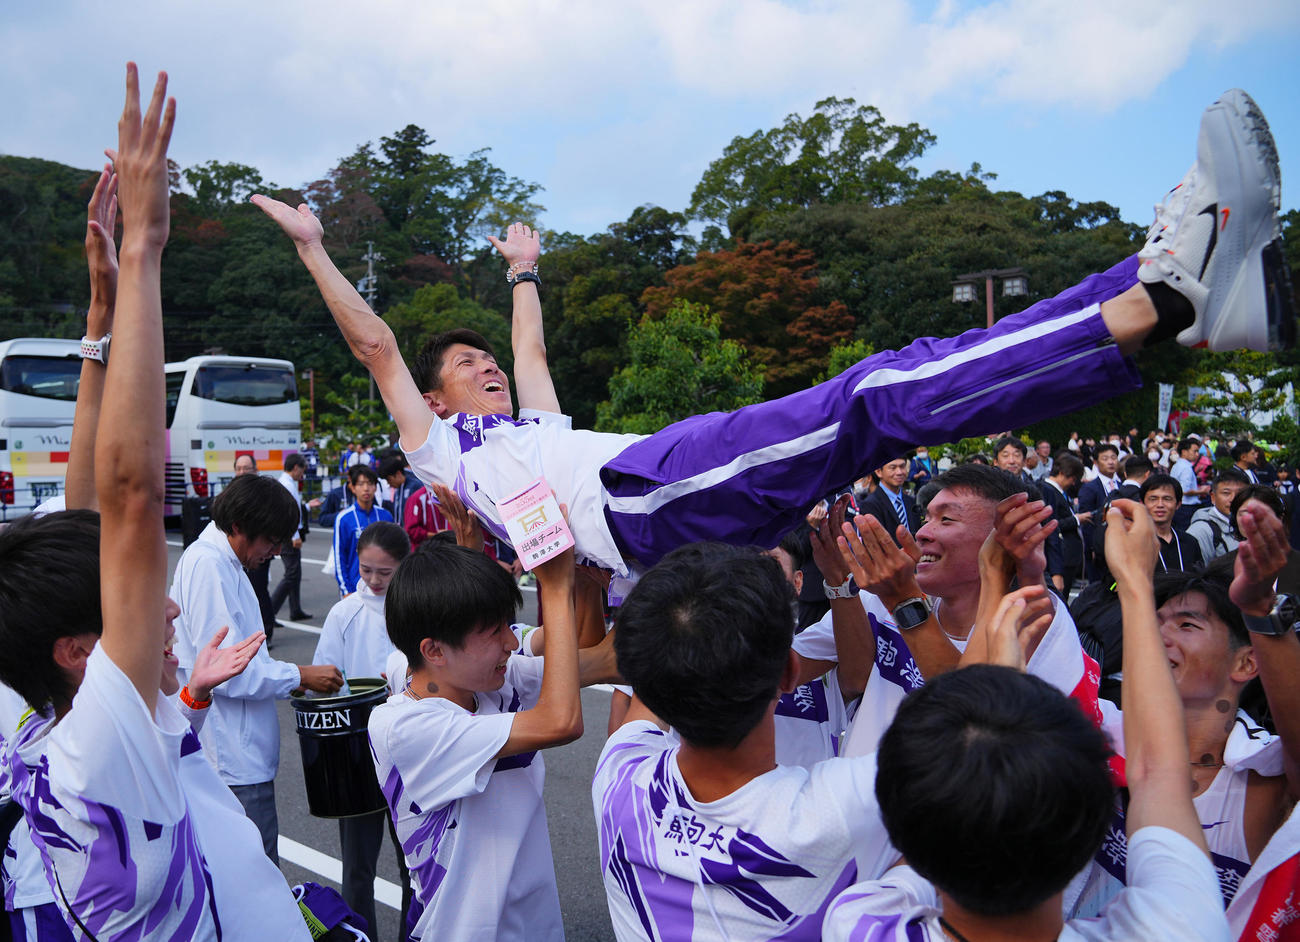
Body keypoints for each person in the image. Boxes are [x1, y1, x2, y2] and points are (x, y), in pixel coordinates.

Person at [252, 87, 1294, 589]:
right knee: (875, 398)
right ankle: (1170, 298)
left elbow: (527, 354)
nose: (481, 364)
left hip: (655, 479)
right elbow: (379, 351)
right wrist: (312, 249)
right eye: (460, 366)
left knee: (903, 379)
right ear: (434, 402)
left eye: (480, 357)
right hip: (645, 502)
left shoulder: (528, 427)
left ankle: (1174, 290)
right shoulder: (445, 454)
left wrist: (524, 271)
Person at [0, 65, 317, 940]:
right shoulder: (101, 752)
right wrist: (143, 249)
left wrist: (99, 312)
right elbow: (134, 499)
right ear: (77, 652)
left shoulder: (48, 722)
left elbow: (90, 508)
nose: (163, 603)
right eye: (132, 610)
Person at [823, 500, 1232, 942]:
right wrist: (1135, 583)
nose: (926, 532)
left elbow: (949, 803)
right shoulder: (1180, 930)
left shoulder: (862, 919)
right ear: (1090, 833)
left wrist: (992, 584)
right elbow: (1158, 774)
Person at [594, 543, 901, 940]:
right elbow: (986, 728)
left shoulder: (620, 773)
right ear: (791, 673)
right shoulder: (847, 806)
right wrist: (911, 601)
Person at [368, 537, 618, 942]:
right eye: (494, 631)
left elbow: (595, 658)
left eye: (508, 624)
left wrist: (582, 573)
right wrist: (552, 586)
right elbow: (562, 721)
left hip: (533, 925)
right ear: (433, 650)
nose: (511, 643)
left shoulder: (487, 680)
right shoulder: (404, 726)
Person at [171, 470, 344, 862]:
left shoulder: (225, 563)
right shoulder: (209, 566)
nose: (277, 551)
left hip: (240, 754)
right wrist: (300, 675)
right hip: (232, 758)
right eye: (272, 540)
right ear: (238, 527)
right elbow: (226, 671)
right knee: (256, 876)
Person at [313, 521, 411, 936]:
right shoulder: (344, 612)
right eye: (366, 569)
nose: (372, 580)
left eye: (384, 573)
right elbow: (323, 678)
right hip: (356, 755)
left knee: (417, 865)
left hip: (409, 750)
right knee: (357, 867)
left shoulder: (415, 607)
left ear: (403, 567)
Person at [270, 452, 323, 623]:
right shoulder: (286, 484)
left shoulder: (288, 483)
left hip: (290, 532)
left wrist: (307, 506)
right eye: (302, 470)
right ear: (295, 468)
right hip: (289, 534)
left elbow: (295, 508)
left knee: (295, 573)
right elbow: (288, 512)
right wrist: (294, 535)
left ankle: (295, 609)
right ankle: (269, 611)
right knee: (292, 574)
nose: (303, 474)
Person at [332, 464, 393, 596]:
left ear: (375, 487)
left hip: (384, 587)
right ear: (353, 488)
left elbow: (394, 553)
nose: (366, 489)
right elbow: (339, 557)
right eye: (361, 484)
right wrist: (346, 590)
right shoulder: (344, 519)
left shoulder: (385, 516)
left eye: (370, 484)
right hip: (354, 589)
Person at [1042, 452, 1088, 597]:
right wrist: (1077, 520)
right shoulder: (1048, 491)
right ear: (1062, 473)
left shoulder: (1060, 492)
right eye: (1072, 479)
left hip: (1069, 557)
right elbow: (1052, 524)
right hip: (1061, 556)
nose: (1073, 484)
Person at [1140, 472, 1203, 573]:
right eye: (1153, 499)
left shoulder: (1190, 542)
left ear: (1178, 504)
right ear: (1142, 503)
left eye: (1167, 499)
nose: (1160, 505)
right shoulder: (1135, 542)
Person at [1188, 467, 1252, 561]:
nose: (1233, 499)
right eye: (1226, 493)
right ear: (1213, 497)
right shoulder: (1202, 531)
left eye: (1240, 494)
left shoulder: (1254, 524)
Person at [858, 457, 919, 542]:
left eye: (902, 466)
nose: (899, 472)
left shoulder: (911, 501)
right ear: (879, 472)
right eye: (893, 468)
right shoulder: (870, 504)